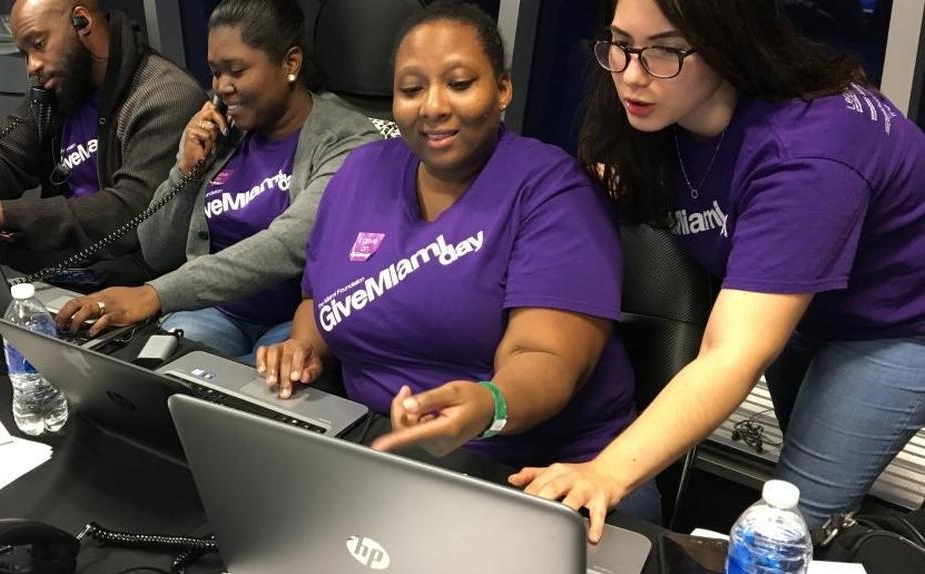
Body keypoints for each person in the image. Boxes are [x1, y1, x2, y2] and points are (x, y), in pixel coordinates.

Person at [519, 0, 925, 542]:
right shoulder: (658, 105)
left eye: (664, 51)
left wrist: (607, 473)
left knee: (791, 518)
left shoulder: (807, 156)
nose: (632, 76)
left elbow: (733, 351)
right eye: (620, 44)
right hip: (808, 299)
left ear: (727, 44)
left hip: (899, 323)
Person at [258, 2, 662, 524]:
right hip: (381, 453)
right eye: (411, 89)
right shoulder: (360, 174)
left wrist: (487, 406)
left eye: (459, 83)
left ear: (502, 91)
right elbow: (321, 300)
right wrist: (304, 347)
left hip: (541, 475)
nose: (432, 106)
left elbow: (547, 358)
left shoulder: (552, 189)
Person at [55, 0, 379, 362]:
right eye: (215, 72)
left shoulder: (348, 140)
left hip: (298, 318)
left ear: (290, 63)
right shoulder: (221, 132)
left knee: (251, 394)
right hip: (214, 311)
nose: (222, 87)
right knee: (165, 376)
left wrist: (155, 294)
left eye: (236, 71)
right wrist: (186, 172)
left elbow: (289, 243)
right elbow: (156, 250)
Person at [0, 0, 205, 283]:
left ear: (82, 22)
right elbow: (5, 153)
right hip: (65, 261)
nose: (32, 66)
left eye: (39, 45)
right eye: (25, 53)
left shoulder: (163, 95)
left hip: (125, 275)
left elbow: (130, 213)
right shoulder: (59, 89)